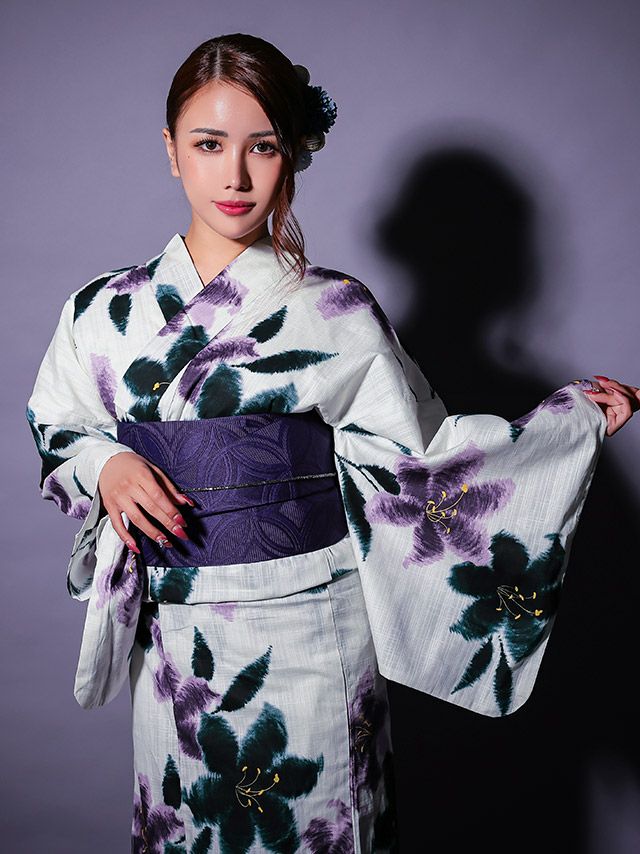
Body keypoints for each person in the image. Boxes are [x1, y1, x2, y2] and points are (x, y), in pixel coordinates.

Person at [25, 33, 638, 854]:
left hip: (311, 631)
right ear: (171, 151)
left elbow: (425, 458)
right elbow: (59, 423)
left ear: (293, 153)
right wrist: (107, 464)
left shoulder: (335, 310)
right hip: (174, 645)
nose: (235, 176)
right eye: (208, 145)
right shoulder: (102, 311)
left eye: (262, 147)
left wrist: (568, 426)